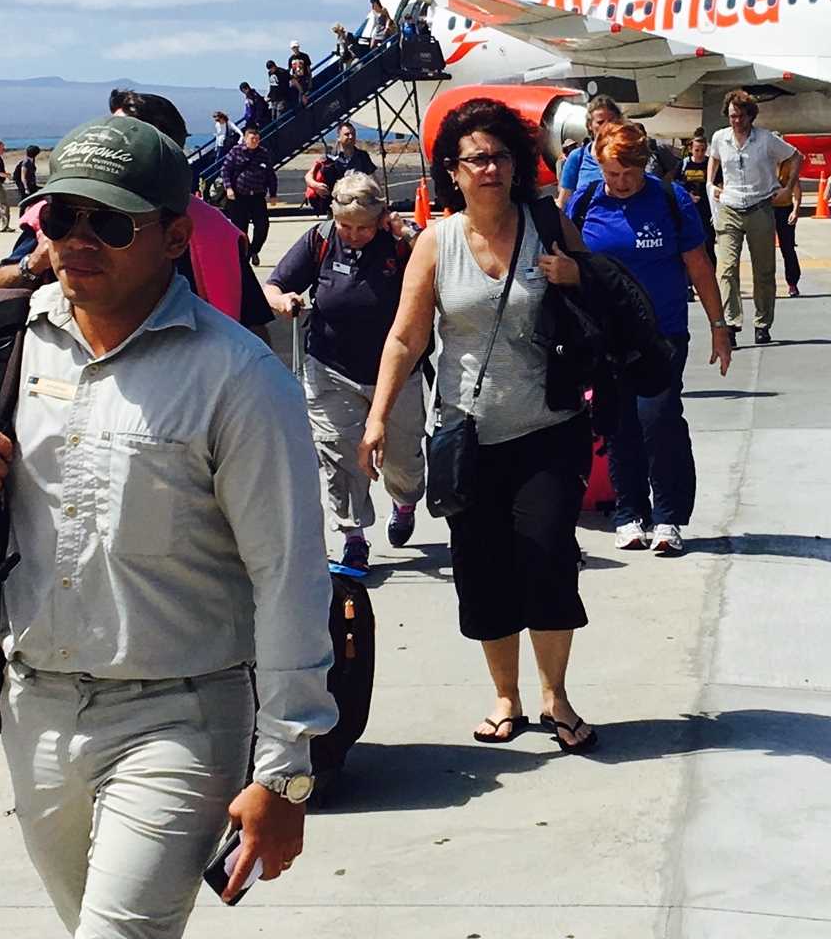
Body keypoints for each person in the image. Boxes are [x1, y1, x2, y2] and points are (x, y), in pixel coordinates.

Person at [0, 114, 334, 935]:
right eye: (62, 216)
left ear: (172, 237)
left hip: (181, 716)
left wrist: (286, 771)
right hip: (35, 710)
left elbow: (290, 575)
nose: (79, 239)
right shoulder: (7, 331)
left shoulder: (237, 378)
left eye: (111, 221)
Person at [360, 96, 599, 752]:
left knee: (548, 556)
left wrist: (575, 274)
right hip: (466, 436)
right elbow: (406, 339)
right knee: (484, 569)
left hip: (548, 426)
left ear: (516, 164)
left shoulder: (548, 224)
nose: (488, 167)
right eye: (475, 159)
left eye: (498, 155)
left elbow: (602, 294)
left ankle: (557, 697)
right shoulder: (436, 242)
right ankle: (506, 696)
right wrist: (380, 416)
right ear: (453, 171)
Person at [567, 122, 732, 555]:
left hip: (663, 333)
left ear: (644, 165)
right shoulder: (585, 203)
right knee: (618, 424)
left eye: (629, 174)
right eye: (611, 173)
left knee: (657, 418)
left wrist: (720, 327)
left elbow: (698, 266)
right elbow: (566, 263)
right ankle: (629, 513)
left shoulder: (669, 200)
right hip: (607, 336)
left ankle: (669, 516)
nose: (620, 183)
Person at [0, 92, 274, 336]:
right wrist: (32, 264)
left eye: (123, 134)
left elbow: (253, 330)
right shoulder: (53, 215)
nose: (104, 142)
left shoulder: (214, 231)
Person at [266, 171, 427, 571]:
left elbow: (441, 257)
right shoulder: (320, 239)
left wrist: (404, 231)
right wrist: (282, 299)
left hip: (396, 374)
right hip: (329, 366)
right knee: (338, 452)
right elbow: (273, 284)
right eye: (346, 226)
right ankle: (352, 535)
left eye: (363, 228)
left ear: (380, 219)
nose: (353, 234)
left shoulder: (399, 244)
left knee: (402, 459)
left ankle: (404, 500)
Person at [707, 90, 799, 347]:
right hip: (730, 207)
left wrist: (788, 187)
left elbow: (794, 156)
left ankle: (762, 323)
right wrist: (710, 183)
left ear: (750, 116)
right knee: (726, 269)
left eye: (740, 116)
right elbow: (713, 158)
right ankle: (732, 323)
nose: (735, 121)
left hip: (760, 206)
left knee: (764, 271)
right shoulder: (719, 138)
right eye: (731, 115)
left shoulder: (766, 140)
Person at [222, 124, 278, 265]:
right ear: (245, 139)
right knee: (240, 229)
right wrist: (228, 188)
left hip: (257, 197)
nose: (255, 141)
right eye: (252, 138)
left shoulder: (263, 153)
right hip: (239, 197)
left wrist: (273, 193)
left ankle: (254, 250)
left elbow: (270, 175)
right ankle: (243, 257)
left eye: (257, 139)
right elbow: (225, 171)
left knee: (262, 227)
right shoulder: (236, 152)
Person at [557, 94, 627, 196]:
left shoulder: (630, 154)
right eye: (600, 122)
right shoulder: (577, 158)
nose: (607, 127)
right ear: (590, 125)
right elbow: (564, 203)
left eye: (612, 121)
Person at [772, 153, 804, 298]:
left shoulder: (790, 166)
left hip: (785, 209)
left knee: (788, 247)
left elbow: (796, 190)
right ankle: (766, 284)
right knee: (763, 250)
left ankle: (792, 283)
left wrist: (795, 211)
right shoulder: (764, 165)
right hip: (767, 210)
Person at [680, 134, 715, 262]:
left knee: (709, 243)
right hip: (690, 209)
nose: (700, 153)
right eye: (697, 150)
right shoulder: (684, 164)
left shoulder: (710, 164)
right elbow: (676, 183)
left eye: (702, 150)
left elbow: (718, 183)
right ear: (691, 149)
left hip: (707, 210)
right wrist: (688, 195)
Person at [10, 144, 41, 217]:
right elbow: (23, 177)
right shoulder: (26, 162)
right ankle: (22, 217)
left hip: (31, 184)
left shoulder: (31, 160)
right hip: (25, 186)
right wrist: (26, 188)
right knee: (25, 202)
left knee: (32, 201)